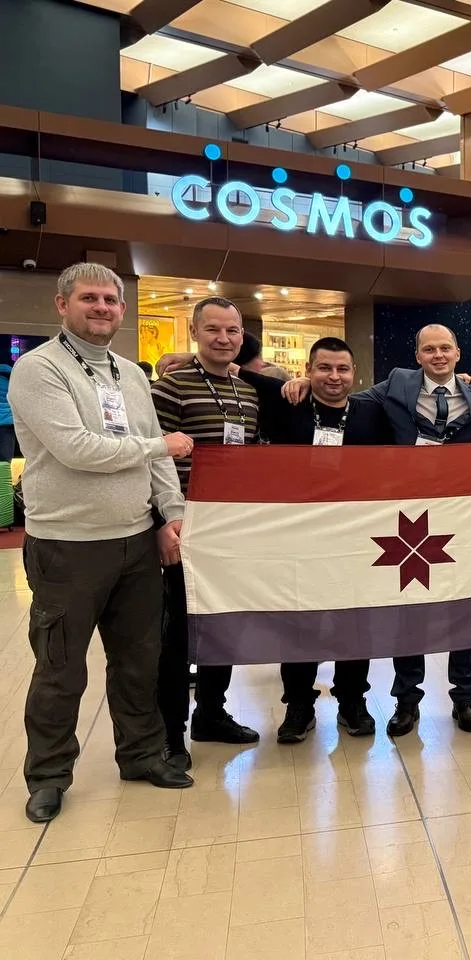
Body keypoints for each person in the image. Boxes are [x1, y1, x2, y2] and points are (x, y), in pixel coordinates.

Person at [10, 263, 195, 824]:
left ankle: (141, 755)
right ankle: (48, 775)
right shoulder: (38, 369)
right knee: (61, 668)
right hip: (68, 545)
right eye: (89, 298)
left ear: (122, 309)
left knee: (139, 659)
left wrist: (172, 512)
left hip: (136, 541)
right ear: (62, 304)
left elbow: (154, 453)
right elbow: (77, 449)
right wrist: (161, 446)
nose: (102, 308)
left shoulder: (130, 373)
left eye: (111, 300)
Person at [284, 324, 471, 736]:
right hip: (407, 516)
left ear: (458, 353)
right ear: (417, 356)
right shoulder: (397, 383)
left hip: (459, 515)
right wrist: (306, 383)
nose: (438, 355)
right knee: (409, 607)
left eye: (445, 348)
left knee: (463, 608)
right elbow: (347, 397)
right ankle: (407, 701)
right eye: (429, 349)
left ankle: (465, 698)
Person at [238, 337, 392, 743]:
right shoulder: (287, 403)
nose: (334, 377)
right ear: (308, 370)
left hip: (356, 539)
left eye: (342, 369)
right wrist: (183, 356)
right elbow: (232, 368)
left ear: (355, 373)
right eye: (324, 368)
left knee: (354, 622)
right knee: (298, 622)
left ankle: (352, 701)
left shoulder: (372, 413)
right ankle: (299, 705)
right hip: (298, 539)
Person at [152, 297, 263, 768]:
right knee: (179, 633)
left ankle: (211, 714)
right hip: (187, 528)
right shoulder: (171, 388)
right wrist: (164, 521)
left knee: (225, 625)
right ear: (194, 332)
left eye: (232, 331)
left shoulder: (247, 393)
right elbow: (154, 461)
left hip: (231, 530)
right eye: (213, 329)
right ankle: (170, 732)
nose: (223, 338)